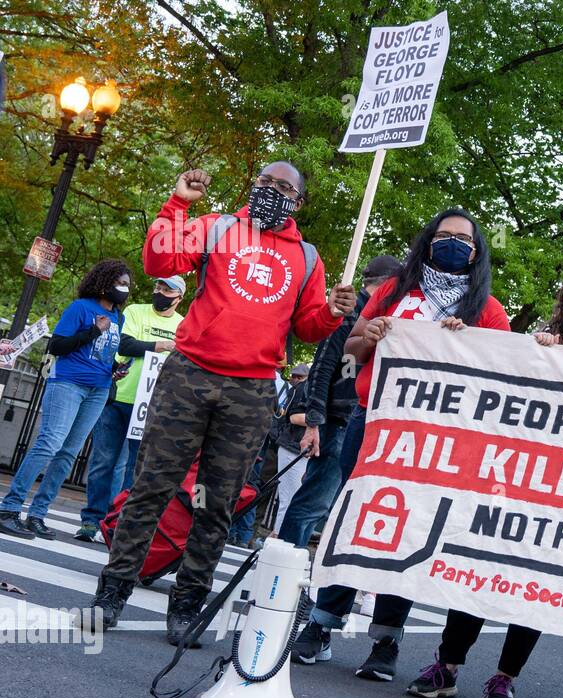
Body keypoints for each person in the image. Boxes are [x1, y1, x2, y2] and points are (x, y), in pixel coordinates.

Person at [87, 163, 355, 644]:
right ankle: (113, 590)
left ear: (299, 202)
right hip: (190, 375)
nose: (273, 191)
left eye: (285, 188)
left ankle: (189, 601)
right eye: (266, 182)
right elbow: (159, 264)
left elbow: (309, 327)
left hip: (251, 390)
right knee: (152, 486)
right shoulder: (217, 227)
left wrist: (333, 312)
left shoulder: (308, 258)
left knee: (216, 501)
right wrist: (178, 203)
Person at [403, 262, 563, 698]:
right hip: (514, 480)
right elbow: (491, 373)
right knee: (479, 568)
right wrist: (465, 337)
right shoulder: (535, 343)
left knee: (532, 585)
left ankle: (505, 678)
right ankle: (447, 665)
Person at [291, 210, 511, 682]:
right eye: (443, 235)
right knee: (352, 517)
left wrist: (468, 344)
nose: (452, 243)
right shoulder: (392, 292)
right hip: (372, 420)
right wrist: (365, 336)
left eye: (462, 239)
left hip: (433, 436)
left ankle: (387, 637)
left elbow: (501, 375)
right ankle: (323, 624)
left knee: (408, 530)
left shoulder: (487, 310)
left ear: (477, 252)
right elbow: (349, 349)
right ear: (428, 241)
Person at [0, 261, 138, 540]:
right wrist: (93, 332)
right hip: (68, 383)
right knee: (50, 443)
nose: (123, 289)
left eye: (127, 285)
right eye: (119, 283)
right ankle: (9, 509)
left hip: (98, 390)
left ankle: (37, 515)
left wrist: (114, 370)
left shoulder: (119, 318)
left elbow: (104, 354)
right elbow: (57, 345)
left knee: (69, 453)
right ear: (104, 283)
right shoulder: (81, 308)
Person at [277, 255, 402, 549]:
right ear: (387, 285)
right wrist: (315, 422)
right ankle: (280, 572)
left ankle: (287, 571)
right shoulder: (352, 313)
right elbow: (321, 367)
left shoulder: (373, 316)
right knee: (314, 503)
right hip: (337, 422)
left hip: (352, 420)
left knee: (328, 503)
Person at [76, 275, 185, 541]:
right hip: (120, 398)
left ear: (179, 297)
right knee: (103, 461)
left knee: (134, 469)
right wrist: (161, 345)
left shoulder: (184, 325)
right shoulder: (135, 311)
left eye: (167, 289)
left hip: (152, 407)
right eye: (158, 286)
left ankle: (117, 523)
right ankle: (91, 520)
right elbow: (125, 344)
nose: (159, 292)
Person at [268, 363, 311, 533]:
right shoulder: (304, 389)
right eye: (294, 376)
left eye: (298, 377)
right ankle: (277, 538)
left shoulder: (305, 388)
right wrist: (323, 421)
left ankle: (279, 538)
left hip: (302, 450)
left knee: (294, 499)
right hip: (293, 447)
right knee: (290, 498)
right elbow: (294, 417)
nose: (295, 379)